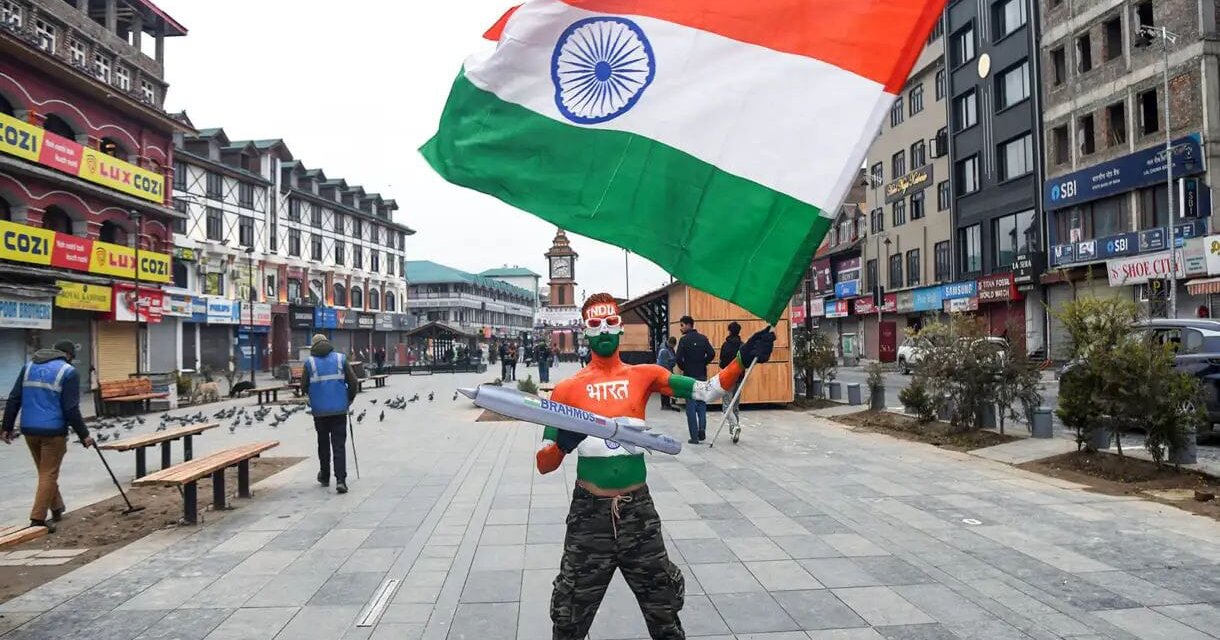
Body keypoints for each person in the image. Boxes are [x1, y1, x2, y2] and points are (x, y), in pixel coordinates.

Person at [537, 293, 774, 639]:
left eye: (610, 323)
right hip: (589, 517)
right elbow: (544, 463)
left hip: (638, 514)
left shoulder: (644, 375)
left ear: (619, 329)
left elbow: (706, 391)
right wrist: (562, 443)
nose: (603, 330)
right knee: (570, 614)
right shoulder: (566, 390)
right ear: (584, 331)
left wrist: (742, 357)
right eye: (594, 324)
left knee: (663, 609)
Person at [2, 341, 94, 533]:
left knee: (45, 472)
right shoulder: (68, 372)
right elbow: (71, 408)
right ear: (68, 355)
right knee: (48, 473)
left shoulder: (28, 367)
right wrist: (84, 435)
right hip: (53, 432)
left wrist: (6, 427)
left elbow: (14, 398)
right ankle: (37, 518)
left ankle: (57, 506)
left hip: (29, 429)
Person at [300, 334, 359, 494]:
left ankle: (325, 475)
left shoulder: (309, 363)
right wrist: (349, 398)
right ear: (327, 343)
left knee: (323, 444)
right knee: (339, 445)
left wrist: (313, 395)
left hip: (319, 412)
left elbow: (303, 386)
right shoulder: (341, 359)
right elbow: (353, 381)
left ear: (313, 346)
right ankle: (341, 480)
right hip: (339, 410)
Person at [675, 315, 715, 444]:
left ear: (688, 325)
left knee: (691, 406)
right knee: (702, 404)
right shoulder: (703, 338)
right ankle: (702, 428)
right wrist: (703, 363)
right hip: (702, 375)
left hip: (689, 377)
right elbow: (712, 353)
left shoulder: (684, 340)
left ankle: (694, 436)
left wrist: (684, 367)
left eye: (681, 325)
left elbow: (678, 358)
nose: (680, 328)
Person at [719, 322, 744, 422]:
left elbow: (721, 363)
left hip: (728, 377)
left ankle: (733, 427)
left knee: (726, 405)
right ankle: (736, 425)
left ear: (729, 331)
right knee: (735, 405)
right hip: (739, 377)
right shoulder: (742, 346)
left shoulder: (725, 345)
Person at [656, 336, 678, 410]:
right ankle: (665, 405)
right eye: (673, 345)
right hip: (664, 372)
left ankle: (666, 404)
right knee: (664, 387)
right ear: (670, 343)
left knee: (667, 387)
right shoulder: (664, 350)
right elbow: (664, 364)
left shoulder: (669, 348)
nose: (673, 347)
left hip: (667, 370)